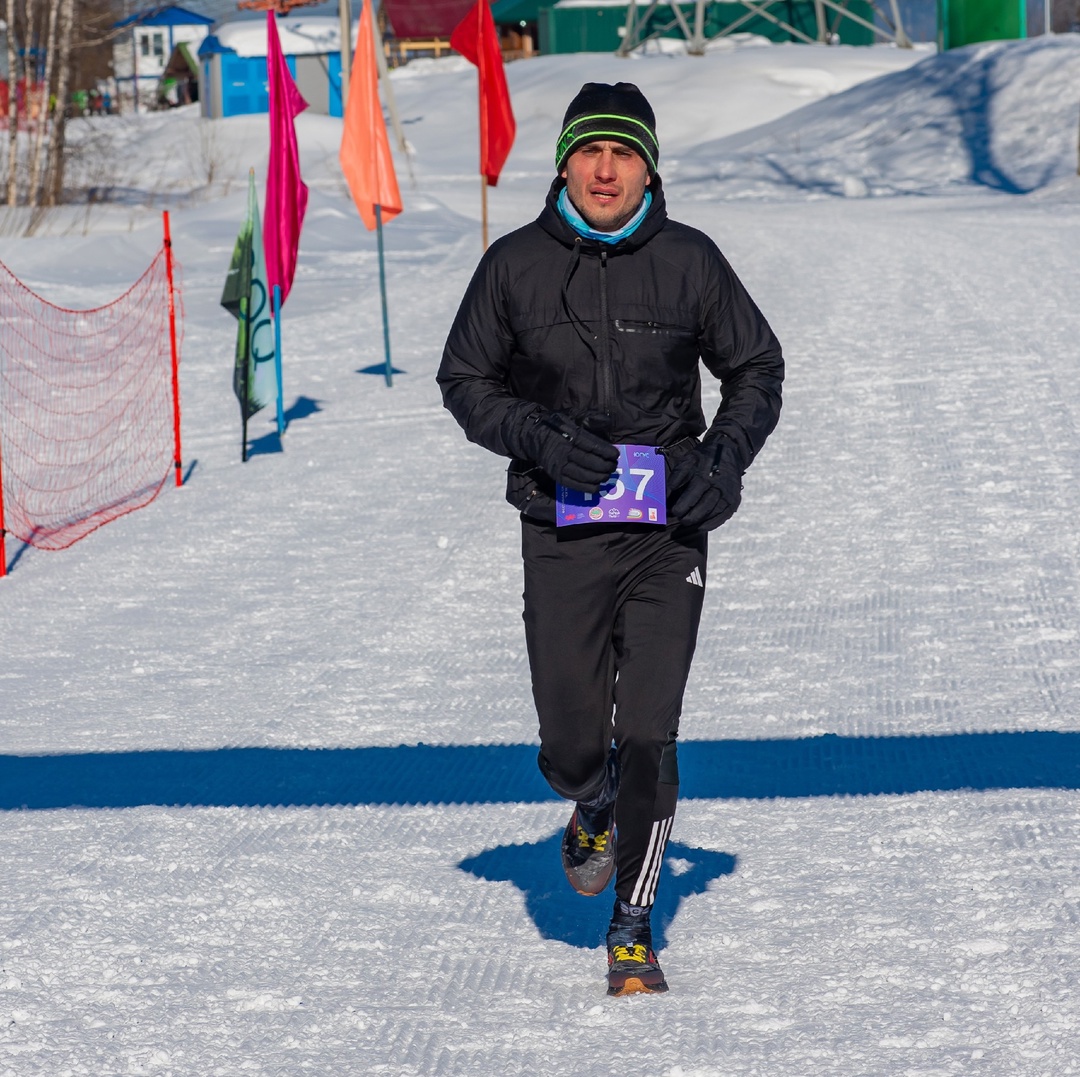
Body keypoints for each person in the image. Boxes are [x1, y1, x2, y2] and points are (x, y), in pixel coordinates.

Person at [437, 82, 784, 996]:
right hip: (563, 529)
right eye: (591, 151)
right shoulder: (513, 266)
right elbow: (465, 380)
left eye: (624, 153)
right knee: (574, 742)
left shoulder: (690, 260)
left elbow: (756, 368)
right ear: (564, 160)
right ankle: (587, 799)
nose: (605, 169)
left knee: (650, 732)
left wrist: (722, 462)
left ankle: (632, 924)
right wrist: (543, 439)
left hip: (667, 533)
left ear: (648, 167)